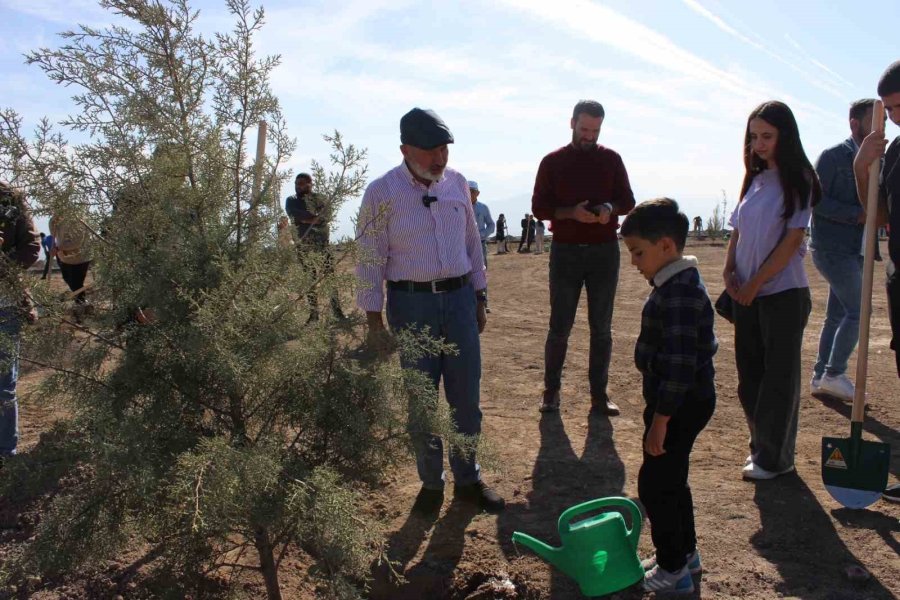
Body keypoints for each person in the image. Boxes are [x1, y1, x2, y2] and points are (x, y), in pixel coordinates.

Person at [355, 107, 504, 514]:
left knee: (466, 399)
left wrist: (479, 298)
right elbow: (369, 260)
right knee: (422, 402)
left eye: (444, 149)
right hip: (411, 304)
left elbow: (474, 246)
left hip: (458, 302)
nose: (439, 159)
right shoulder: (380, 194)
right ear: (405, 149)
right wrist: (373, 321)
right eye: (430, 151)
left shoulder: (456, 184)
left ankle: (469, 480)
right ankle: (431, 485)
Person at [621, 198, 716, 595]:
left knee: (656, 485)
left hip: (676, 404)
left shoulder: (679, 292)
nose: (634, 263)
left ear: (665, 246)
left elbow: (678, 365)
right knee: (673, 479)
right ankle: (683, 554)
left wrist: (660, 420)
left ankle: (673, 570)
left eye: (638, 253)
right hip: (680, 401)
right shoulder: (677, 283)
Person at [723, 101, 820, 480]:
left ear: (785, 136)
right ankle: (760, 447)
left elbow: (791, 240)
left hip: (782, 295)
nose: (758, 144)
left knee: (778, 380)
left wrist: (755, 284)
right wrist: (730, 271)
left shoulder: (801, 180)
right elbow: (737, 230)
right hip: (745, 295)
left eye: (767, 136)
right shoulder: (755, 178)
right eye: (753, 137)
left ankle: (775, 459)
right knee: (750, 378)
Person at [532, 99, 636, 415]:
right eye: (584, 128)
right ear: (572, 123)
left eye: (595, 130)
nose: (589, 135)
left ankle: (599, 397)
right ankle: (551, 393)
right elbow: (539, 208)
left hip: (604, 252)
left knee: (601, 328)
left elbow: (627, 201)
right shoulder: (552, 162)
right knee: (559, 326)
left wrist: (609, 209)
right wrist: (571, 214)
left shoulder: (612, 160)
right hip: (565, 253)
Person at [853, 60, 900, 503]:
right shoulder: (897, 153)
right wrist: (862, 168)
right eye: (890, 109)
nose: (898, 116)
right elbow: (879, 216)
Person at [809, 99, 877, 402]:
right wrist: (858, 214)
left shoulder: (879, 158)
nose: (880, 129)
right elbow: (816, 200)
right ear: (854, 124)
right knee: (859, 310)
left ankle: (820, 376)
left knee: (837, 315)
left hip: (857, 250)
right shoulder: (834, 157)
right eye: (872, 122)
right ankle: (835, 373)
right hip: (833, 248)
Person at [0, 182, 41, 461]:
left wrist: (3, 261)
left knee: (3, 383)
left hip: (5, 304)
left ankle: (6, 454)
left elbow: (31, 248)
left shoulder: (10, 197)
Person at [285, 172, 344, 322]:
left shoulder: (320, 198)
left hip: (322, 244)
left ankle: (337, 312)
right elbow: (295, 216)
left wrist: (310, 219)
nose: (299, 186)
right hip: (303, 246)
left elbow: (326, 216)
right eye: (297, 184)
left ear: (310, 184)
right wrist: (313, 218)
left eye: (302, 183)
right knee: (310, 280)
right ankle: (314, 314)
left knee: (330, 277)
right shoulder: (291, 200)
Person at [49, 215, 92, 306]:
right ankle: (80, 302)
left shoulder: (77, 220)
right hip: (63, 257)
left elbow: (77, 241)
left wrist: (58, 248)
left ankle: (81, 304)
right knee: (67, 278)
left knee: (76, 283)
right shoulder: (55, 220)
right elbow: (53, 234)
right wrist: (52, 222)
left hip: (79, 258)